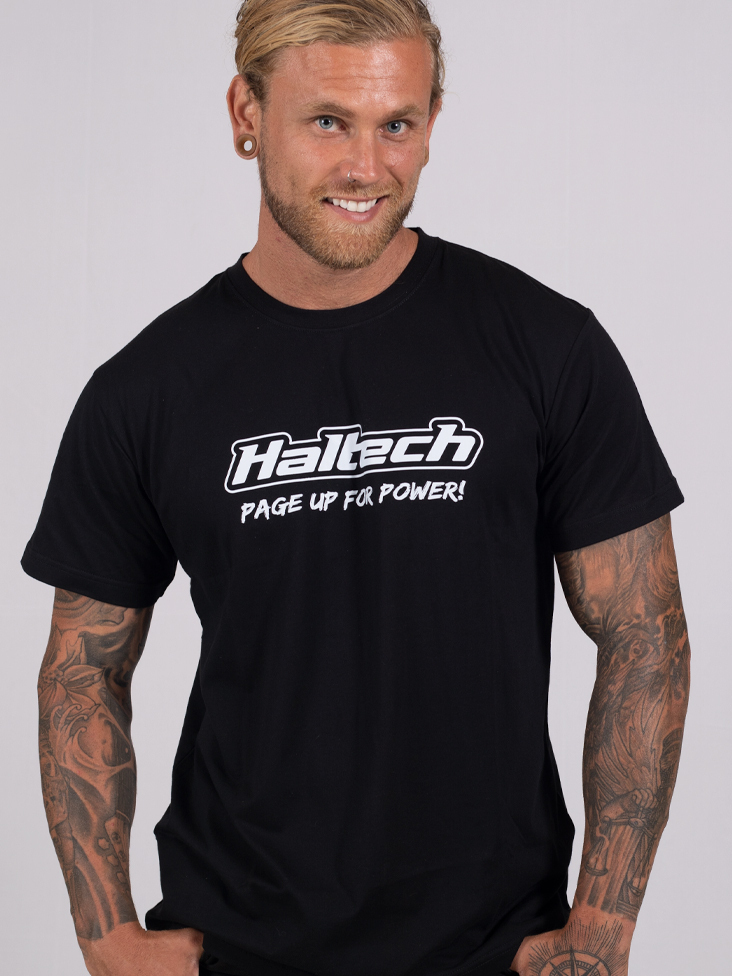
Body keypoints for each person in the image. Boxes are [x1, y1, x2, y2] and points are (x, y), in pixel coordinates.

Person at [24, 1, 690, 975]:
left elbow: (644, 634)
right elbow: (83, 667)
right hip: (237, 944)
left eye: (397, 124)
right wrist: (106, 933)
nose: (367, 167)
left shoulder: (548, 346)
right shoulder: (149, 389)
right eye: (328, 121)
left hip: (494, 946)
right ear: (246, 112)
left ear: (432, 122)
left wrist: (603, 924)